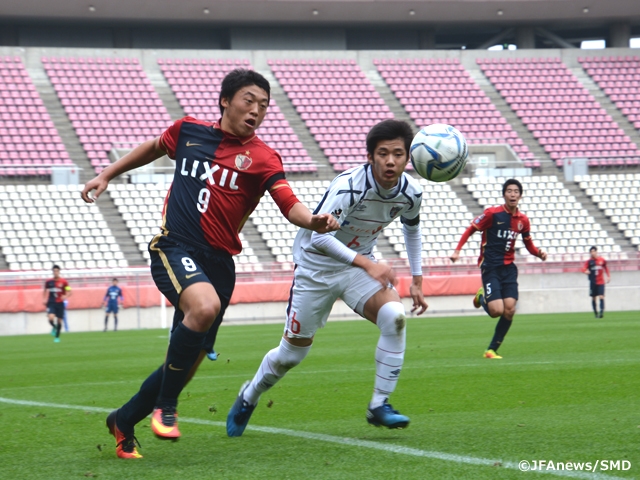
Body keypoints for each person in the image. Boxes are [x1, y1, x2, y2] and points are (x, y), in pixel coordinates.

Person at [80, 68, 338, 459]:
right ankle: (167, 406)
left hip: (220, 265)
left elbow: (288, 202)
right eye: (249, 100)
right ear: (225, 100)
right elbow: (152, 148)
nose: (256, 110)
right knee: (204, 308)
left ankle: (123, 419)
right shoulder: (188, 131)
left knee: (185, 360)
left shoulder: (264, 157)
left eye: (264, 106)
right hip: (175, 246)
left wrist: (313, 220)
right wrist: (107, 175)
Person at [226, 119, 429, 438]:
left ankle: (379, 404)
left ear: (408, 158)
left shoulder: (411, 193)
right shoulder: (350, 185)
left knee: (394, 316)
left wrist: (417, 278)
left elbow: (412, 230)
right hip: (316, 267)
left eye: (398, 154)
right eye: (383, 153)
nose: (390, 161)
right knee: (291, 355)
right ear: (370, 157)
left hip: (357, 268)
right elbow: (317, 237)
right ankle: (249, 396)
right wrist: (368, 263)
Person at [450, 179, 547, 359]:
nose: (512, 194)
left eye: (516, 191)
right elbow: (470, 229)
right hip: (491, 267)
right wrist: (457, 250)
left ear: (520, 195)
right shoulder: (492, 214)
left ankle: (491, 349)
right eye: (509, 191)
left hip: (509, 268)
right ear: (504, 194)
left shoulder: (523, 220)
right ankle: (481, 296)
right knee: (496, 311)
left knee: (510, 309)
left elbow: (528, 244)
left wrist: (538, 253)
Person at [43, 265, 71, 343]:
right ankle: (54, 327)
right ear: (52, 272)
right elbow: (45, 290)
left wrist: (65, 296)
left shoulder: (64, 282)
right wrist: (44, 299)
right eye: (54, 271)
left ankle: (57, 337)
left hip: (60, 303)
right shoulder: (49, 282)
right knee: (50, 318)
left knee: (59, 321)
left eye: (56, 271)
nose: (55, 272)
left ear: (59, 272)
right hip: (51, 302)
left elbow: (69, 291)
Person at [583, 246, 610, 318]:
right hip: (593, 282)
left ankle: (601, 312)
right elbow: (583, 268)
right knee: (593, 298)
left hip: (601, 282)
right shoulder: (589, 261)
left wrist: (608, 276)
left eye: (593, 251)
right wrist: (585, 271)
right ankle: (595, 313)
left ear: (596, 251)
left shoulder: (602, 260)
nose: (592, 253)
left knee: (601, 296)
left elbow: (606, 267)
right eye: (591, 252)